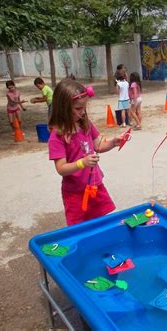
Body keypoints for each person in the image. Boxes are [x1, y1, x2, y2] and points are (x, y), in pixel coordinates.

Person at [48, 79, 122, 226]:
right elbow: (61, 168)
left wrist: (113, 142)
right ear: (63, 108)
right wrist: (83, 163)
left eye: (84, 107)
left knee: (104, 224)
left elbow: (99, 145)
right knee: (80, 228)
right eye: (77, 108)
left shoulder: (85, 124)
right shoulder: (57, 136)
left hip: (96, 186)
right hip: (75, 194)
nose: (82, 112)